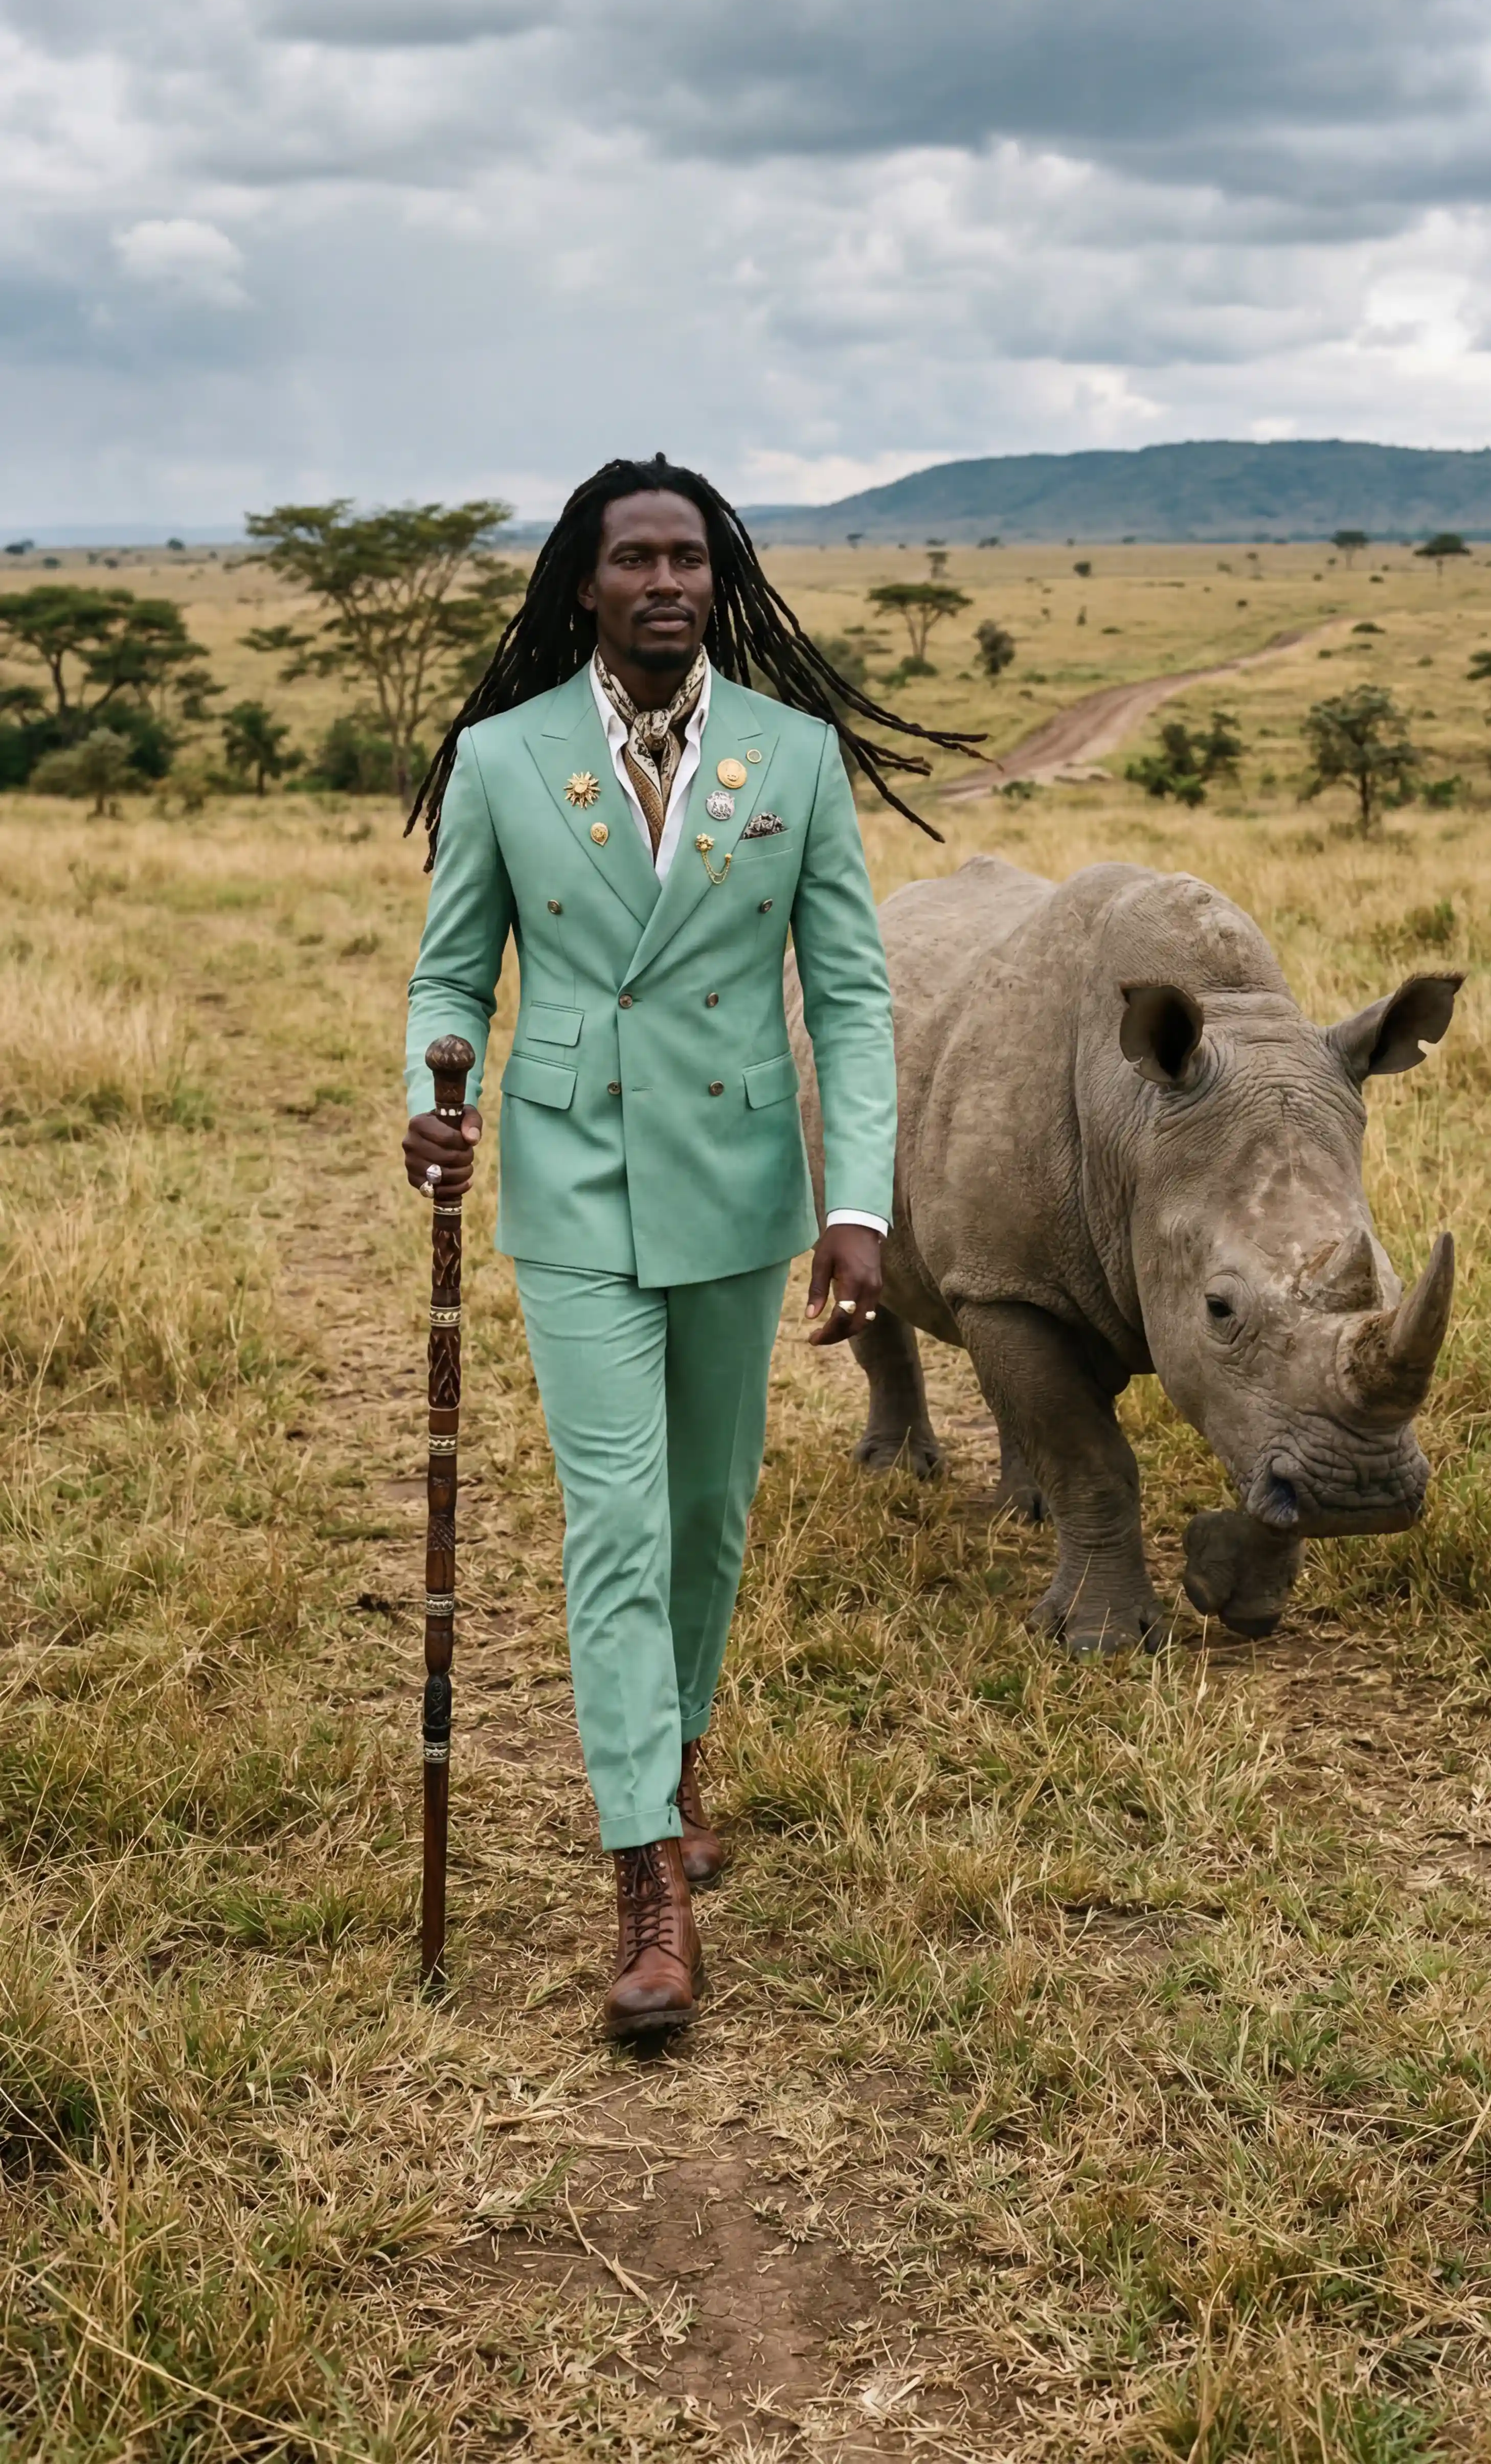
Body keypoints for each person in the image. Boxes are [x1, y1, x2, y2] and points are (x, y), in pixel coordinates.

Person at [402, 455, 976, 2037]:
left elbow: (852, 999)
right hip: (573, 1174)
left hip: (738, 1182)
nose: (665, 583)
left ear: (717, 585)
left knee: (713, 1513)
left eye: (690, 561)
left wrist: (855, 1203)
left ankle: (684, 1737)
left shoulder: (795, 758)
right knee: (618, 1515)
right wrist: (426, 1101)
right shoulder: (505, 760)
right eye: (634, 559)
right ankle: (645, 1878)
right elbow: (450, 982)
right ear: (582, 585)